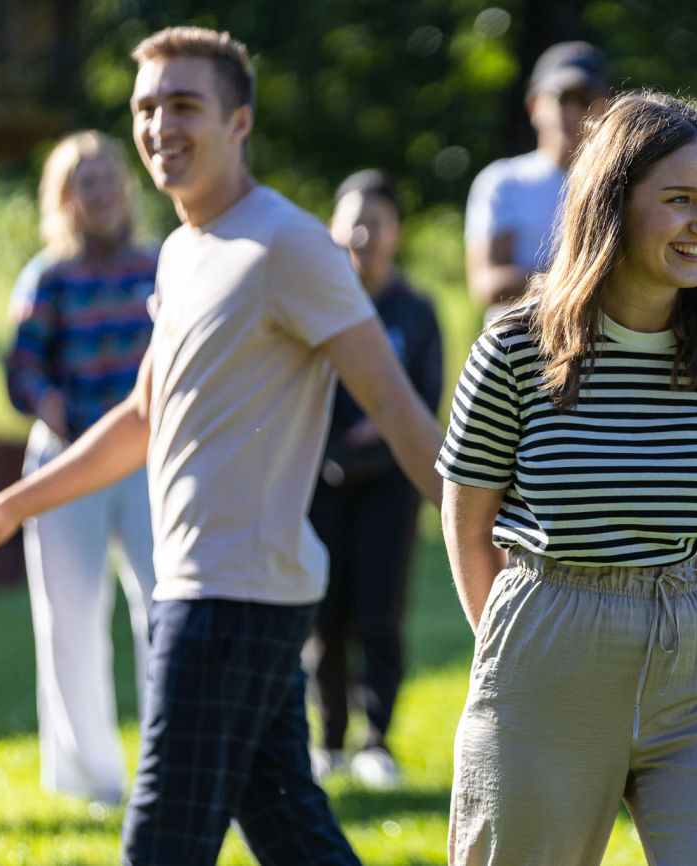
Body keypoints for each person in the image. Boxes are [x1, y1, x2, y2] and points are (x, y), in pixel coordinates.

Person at [0, 26, 443, 865]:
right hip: (214, 589)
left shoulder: (289, 245)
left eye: (185, 104)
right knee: (292, 834)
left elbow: (399, 411)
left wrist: (496, 547)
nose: (159, 126)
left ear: (240, 121)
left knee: (161, 846)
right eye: (146, 106)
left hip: (232, 595)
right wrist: (5, 510)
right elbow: (143, 418)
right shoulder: (185, 250)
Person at [439, 91, 697, 865]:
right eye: (679, 201)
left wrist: (678, 593)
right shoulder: (514, 349)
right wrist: (514, 647)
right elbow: (467, 519)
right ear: (612, 205)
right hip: (548, 652)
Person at [3, 130, 158, 805]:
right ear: (65, 198)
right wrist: (48, 402)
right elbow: (20, 372)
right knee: (69, 621)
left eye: (108, 177)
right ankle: (89, 780)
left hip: (150, 458)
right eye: (84, 182)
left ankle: (170, 766)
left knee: (165, 612)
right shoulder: (47, 276)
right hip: (65, 465)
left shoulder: (162, 266)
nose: (101, 192)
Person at [307, 169, 442, 790]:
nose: (361, 232)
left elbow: (427, 396)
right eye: (351, 218)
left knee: (378, 613)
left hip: (390, 484)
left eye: (375, 220)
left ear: (396, 232)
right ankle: (328, 741)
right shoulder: (312, 301)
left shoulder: (415, 311)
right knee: (323, 614)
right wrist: (339, 435)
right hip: (319, 480)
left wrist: (384, 426)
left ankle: (377, 740)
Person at [463, 40, 609, 323]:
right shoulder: (503, 181)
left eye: (587, 98)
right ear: (534, 105)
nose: (576, 111)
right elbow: (487, 285)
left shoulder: (618, 183)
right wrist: (584, 275)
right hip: (517, 348)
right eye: (564, 97)